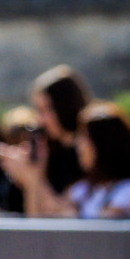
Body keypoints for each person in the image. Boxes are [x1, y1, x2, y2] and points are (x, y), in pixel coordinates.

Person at [0, 100, 130, 218]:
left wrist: (34, 179)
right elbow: (42, 219)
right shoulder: (82, 189)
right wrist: (34, 176)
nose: (80, 146)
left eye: (86, 138)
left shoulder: (129, 191)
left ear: (104, 144)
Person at [30, 65, 91, 194]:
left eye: (47, 109)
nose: (41, 120)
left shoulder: (92, 149)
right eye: (38, 110)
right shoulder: (47, 151)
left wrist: (30, 179)